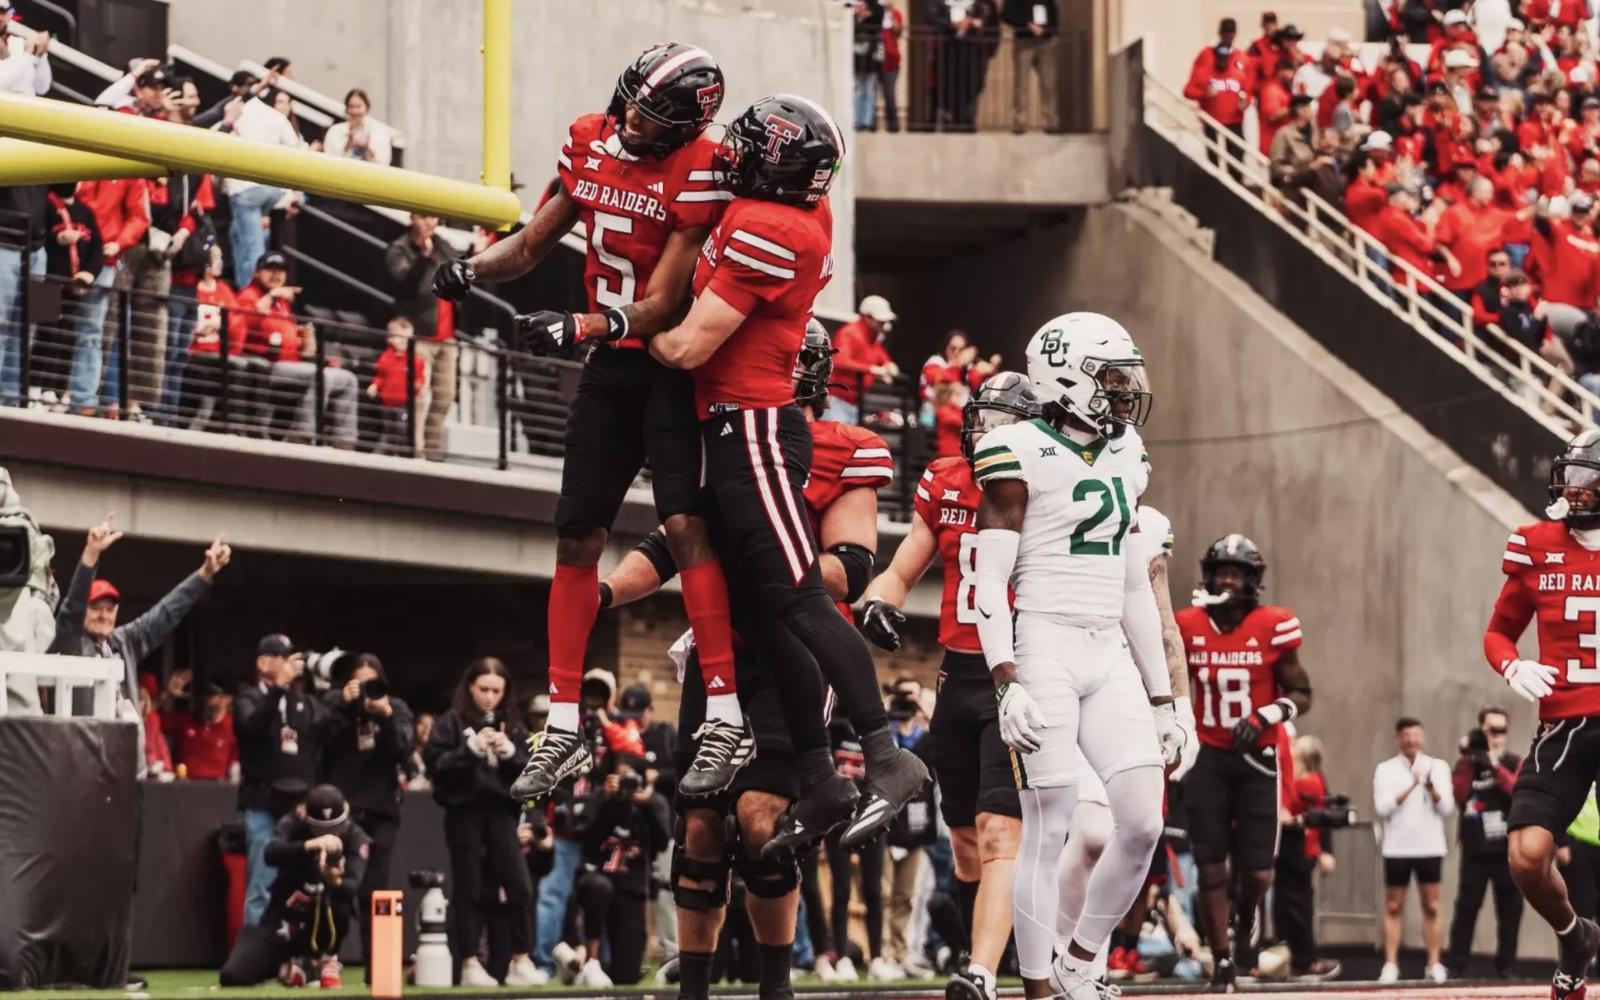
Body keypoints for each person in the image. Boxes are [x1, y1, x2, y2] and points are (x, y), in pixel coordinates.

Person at [434, 44, 750, 801]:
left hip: (668, 364)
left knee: (684, 526)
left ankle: (727, 715)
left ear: (688, 124)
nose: (633, 119)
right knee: (576, 534)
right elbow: (536, 240)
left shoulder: (702, 168)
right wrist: (472, 268)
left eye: (652, 113)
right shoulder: (592, 139)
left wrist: (584, 325)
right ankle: (568, 724)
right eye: (632, 102)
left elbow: (667, 302)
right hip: (608, 367)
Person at [648, 95, 928, 851]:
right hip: (734, 425)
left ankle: (885, 756)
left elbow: (687, 349)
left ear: (775, 165)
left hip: (754, 427)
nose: (733, 153)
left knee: (803, 605)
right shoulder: (777, 209)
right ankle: (824, 777)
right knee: (778, 618)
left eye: (748, 146)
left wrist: (621, 326)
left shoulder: (770, 228)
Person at [598, 323, 893, 1000]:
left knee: (762, 820)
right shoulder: (717, 443)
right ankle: (695, 989)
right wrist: (604, 594)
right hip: (718, 648)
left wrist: (761, 557)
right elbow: (669, 544)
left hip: (794, 646)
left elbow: (849, 569)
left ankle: (775, 986)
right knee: (698, 820)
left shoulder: (839, 448)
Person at [970, 311, 1185, 1000]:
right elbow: (988, 582)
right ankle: (1036, 989)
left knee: (1144, 821)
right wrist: (1006, 680)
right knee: (1049, 824)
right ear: (1064, 377)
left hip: (1107, 646)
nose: (1125, 395)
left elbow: (1132, 585)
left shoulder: (1128, 451)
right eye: (1111, 380)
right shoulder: (1016, 450)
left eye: (1128, 380)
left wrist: (1162, 699)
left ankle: (1078, 962)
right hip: (1044, 641)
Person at [861, 372, 1040, 1000]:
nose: (983, 431)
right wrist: (879, 601)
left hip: (1016, 672)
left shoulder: (1040, 485)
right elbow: (905, 561)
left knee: (999, 832)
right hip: (955, 671)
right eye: (980, 418)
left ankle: (982, 970)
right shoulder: (943, 478)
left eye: (999, 423)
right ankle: (988, 951)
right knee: (963, 840)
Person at [1482, 428, 1600, 1000]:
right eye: (1571, 477)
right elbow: (1500, 632)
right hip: (1566, 723)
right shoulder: (1535, 541)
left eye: (1588, 479)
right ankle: (1574, 936)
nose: (1574, 490)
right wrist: (1511, 667)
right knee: (1527, 857)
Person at [1175, 533, 1315, 990]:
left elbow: (1301, 692)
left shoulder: (1275, 624)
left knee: (1257, 873)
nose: (1227, 580)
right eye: (1221, 572)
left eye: (1236, 573)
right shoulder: (1187, 624)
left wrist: (1265, 715)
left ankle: (1248, 914)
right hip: (1208, 756)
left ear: (1252, 579)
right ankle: (1222, 961)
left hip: (1259, 757)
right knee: (1210, 865)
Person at [50, 513, 231, 773]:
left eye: (110, 609)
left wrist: (204, 574)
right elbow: (71, 610)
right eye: (96, 608)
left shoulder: (124, 641)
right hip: (82, 767)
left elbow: (165, 614)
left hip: (127, 766)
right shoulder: (70, 643)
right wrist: (90, 556)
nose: (104, 615)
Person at [423, 657, 541, 987]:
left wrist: (510, 754)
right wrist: (468, 749)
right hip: (465, 812)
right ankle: (470, 960)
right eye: (483, 689)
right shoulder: (451, 721)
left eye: (496, 691)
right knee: (469, 885)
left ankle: (521, 958)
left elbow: (529, 774)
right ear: (471, 688)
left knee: (519, 883)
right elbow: (436, 766)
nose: (489, 697)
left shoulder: (514, 724)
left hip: (502, 813)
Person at [219, 784, 370, 989]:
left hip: (321, 926)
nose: (327, 834)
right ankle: (286, 967)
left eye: (332, 829)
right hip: (284, 920)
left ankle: (325, 959)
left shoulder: (355, 837)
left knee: (340, 903)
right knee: (233, 976)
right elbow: (270, 853)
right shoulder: (295, 821)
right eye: (320, 829)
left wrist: (334, 880)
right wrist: (309, 846)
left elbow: (353, 886)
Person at [319, 653, 414, 976]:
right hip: (342, 813)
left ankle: (378, 965)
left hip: (381, 811)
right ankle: (327, 958)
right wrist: (346, 707)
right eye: (360, 683)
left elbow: (403, 754)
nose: (366, 691)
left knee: (375, 890)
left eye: (372, 683)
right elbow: (319, 743)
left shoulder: (396, 708)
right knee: (339, 885)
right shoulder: (334, 704)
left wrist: (384, 715)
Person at [234, 634, 329, 927]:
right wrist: (276, 690)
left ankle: (295, 958)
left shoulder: (301, 702)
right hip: (263, 803)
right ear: (263, 663)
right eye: (282, 657)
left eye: (292, 658)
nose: (290, 664)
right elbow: (252, 728)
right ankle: (254, 958)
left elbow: (321, 737)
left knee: (300, 883)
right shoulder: (248, 698)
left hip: (297, 807)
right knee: (262, 882)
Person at [235, 250, 359, 447]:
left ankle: (343, 441)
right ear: (257, 272)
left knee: (348, 380)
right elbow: (246, 320)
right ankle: (302, 434)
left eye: (281, 271)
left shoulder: (282, 303)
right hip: (266, 365)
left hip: (292, 365)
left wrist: (304, 342)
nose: (276, 275)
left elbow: (289, 339)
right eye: (270, 270)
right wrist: (272, 294)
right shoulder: (249, 295)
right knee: (322, 376)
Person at [574, 751, 672, 985]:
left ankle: (574, 966)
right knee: (600, 888)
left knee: (626, 977)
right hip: (597, 878)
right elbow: (586, 841)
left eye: (629, 778)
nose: (624, 785)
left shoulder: (652, 802)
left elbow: (660, 843)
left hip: (632, 887)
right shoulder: (601, 797)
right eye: (619, 778)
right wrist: (606, 803)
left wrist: (645, 806)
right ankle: (590, 961)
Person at [1373, 716, 1455, 983]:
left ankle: (1434, 963)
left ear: (1422, 737)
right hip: (1397, 847)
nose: (1412, 741)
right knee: (1394, 905)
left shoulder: (1437, 766)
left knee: (1431, 905)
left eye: (1416, 736)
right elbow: (1382, 808)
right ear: (1398, 739)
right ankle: (1391, 963)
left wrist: (1430, 786)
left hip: (1429, 845)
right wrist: (1411, 785)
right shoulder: (1385, 769)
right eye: (1406, 736)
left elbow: (1447, 808)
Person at [1446, 706, 1524, 978]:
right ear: (1481, 730)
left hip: (1507, 849)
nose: (1494, 736)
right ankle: (1455, 965)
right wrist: (1470, 759)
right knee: (1466, 908)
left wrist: (1494, 765)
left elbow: (1517, 791)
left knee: (1510, 911)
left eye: (1500, 730)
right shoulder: (1467, 764)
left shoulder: (1514, 762)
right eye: (1489, 730)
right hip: (1475, 849)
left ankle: (1507, 966)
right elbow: (1458, 794)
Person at [383, 215, 456, 460]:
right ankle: (415, 453)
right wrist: (424, 258)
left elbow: (459, 270)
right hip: (418, 334)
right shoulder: (399, 249)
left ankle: (432, 452)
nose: (428, 223)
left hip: (447, 336)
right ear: (412, 218)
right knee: (419, 397)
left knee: (444, 397)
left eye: (433, 218)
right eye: (423, 217)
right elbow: (407, 285)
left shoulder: (442, 244)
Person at [1277, 734, 1341, 982]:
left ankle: (1304, 959)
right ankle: (1297, 957)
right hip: (1298, 850)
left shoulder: (1308, 782)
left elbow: (1295, 812)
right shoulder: (1303, 781)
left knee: (1298, 907)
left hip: (1300, 850)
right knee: (1292, 905)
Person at [225, 88, 300, 289]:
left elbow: (215, 139)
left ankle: (249, 295)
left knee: (252, 249)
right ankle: (245, 291)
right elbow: (294, 149)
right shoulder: (276, 117)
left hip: (245, 190)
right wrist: (289, 193)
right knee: (244, 236)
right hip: (271, 190)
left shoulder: (236, 114)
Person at [830, 294, 899, 424]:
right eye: (880, 320)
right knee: (837, 439)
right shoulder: (849, 332)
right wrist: (873, 370)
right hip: (838, 400)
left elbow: (879, 354)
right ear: (867, 317)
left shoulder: (872, 338)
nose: (883, 323)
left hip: (855, 401)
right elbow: (839, 360)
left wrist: (888, 364)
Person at [366, 317, 426, 456]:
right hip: (387, 403)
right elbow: (380, 375)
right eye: (401, 338)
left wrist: (419, 386)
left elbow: (420, 378)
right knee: (388, 429)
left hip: (403, 404)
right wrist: (375, 385)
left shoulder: (415, 360)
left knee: (401, 430)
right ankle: (386, 453)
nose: (405, 342)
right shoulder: (385, 357)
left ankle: (400, 454)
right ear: (390, 338)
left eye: (408, 339)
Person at [164, 680, 239, 781]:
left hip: (217, 788)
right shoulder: (185, 719)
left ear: (228, 699)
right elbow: (147, 718)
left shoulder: (234, 726)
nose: (207, 699)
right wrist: (166, 694)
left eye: (213, 694)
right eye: (206, 694)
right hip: (184, 787)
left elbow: (236, 764)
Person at [1003, 0, 1059, 133]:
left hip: (1045, 41)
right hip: (1024, 41)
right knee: (1021, 83)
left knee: (1048, 82)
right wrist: (1028, 25)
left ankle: (1051, 121)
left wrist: (1049, 31)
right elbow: (1007, 14)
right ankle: (1019, 122)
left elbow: (1054, 14)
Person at [321, 88, 393, 165]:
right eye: (351, 107)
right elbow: (329, 161)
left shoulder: (380, 133)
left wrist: (367, 149)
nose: (355, 111)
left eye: (358, 107)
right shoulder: (334, 131)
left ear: (366, 108)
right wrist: (348, 144)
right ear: (346, 109)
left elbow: (384, 164)